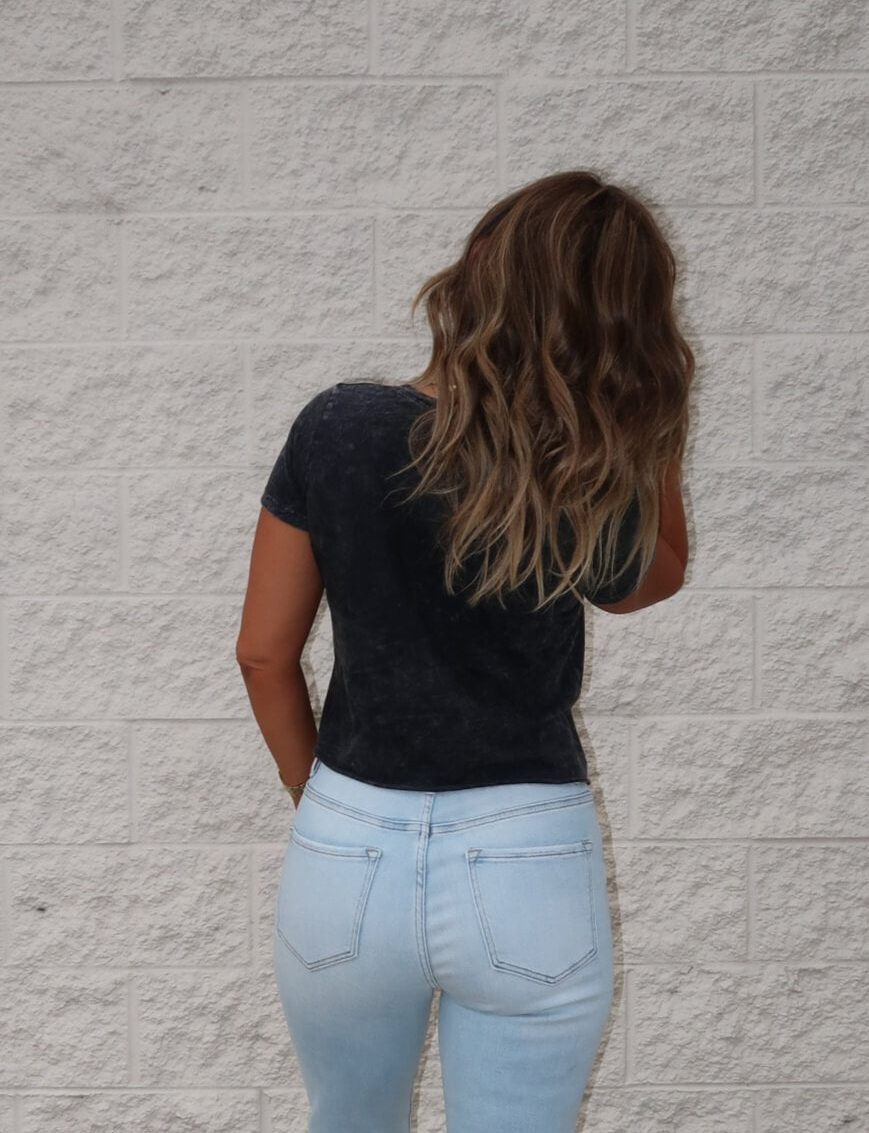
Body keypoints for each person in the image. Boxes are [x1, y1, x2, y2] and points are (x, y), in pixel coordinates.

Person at [236, 169, 693, 1133]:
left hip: (348, 845)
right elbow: (651, 579)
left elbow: (263, 657)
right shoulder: (574, 462)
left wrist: (314, 798)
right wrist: (646, 417)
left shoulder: (337, 427)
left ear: (478, 261)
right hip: (527, 855)